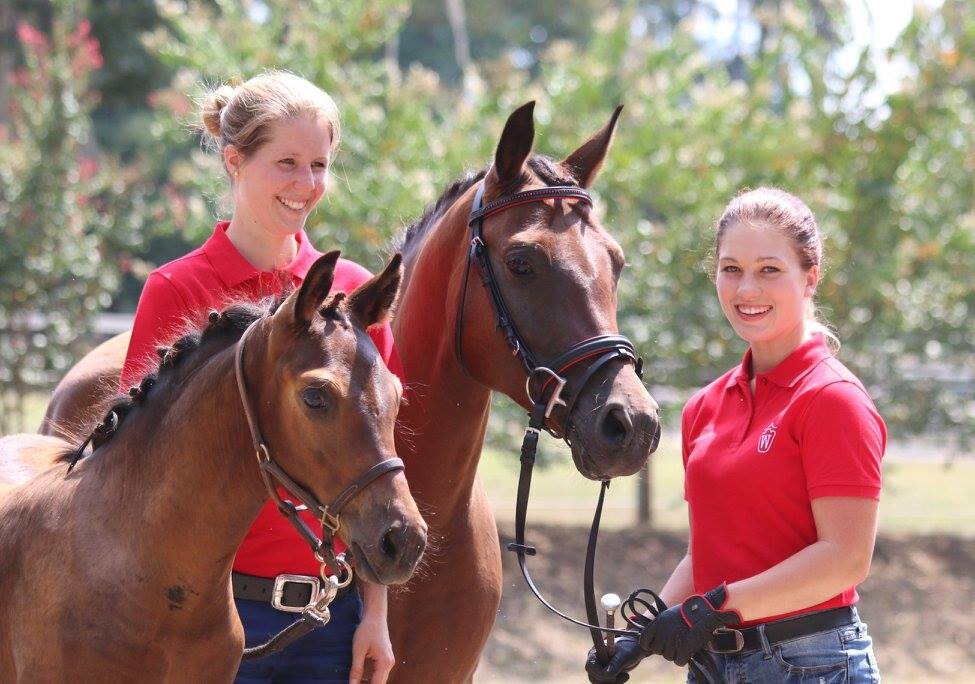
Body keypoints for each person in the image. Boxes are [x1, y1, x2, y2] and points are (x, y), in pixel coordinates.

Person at [122, 71, 401, 684]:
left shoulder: (353, 293)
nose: (307, 185)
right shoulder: (176, 291)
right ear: (234, 160)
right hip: (203, 622)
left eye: (320, 164)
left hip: (331, 618)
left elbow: (381, 457)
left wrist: (375, 614)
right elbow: (135, 473)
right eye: (287, 163)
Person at [587, 187, 885, 683]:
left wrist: (715, 607)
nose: (747, 290)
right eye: (731, 269)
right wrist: (644, 633)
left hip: (811, 665)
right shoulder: (704, 407)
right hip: (713, 664)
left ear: (810, 277)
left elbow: (845, 559)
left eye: (769, 270)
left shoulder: (833, 399)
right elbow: (706, 555)